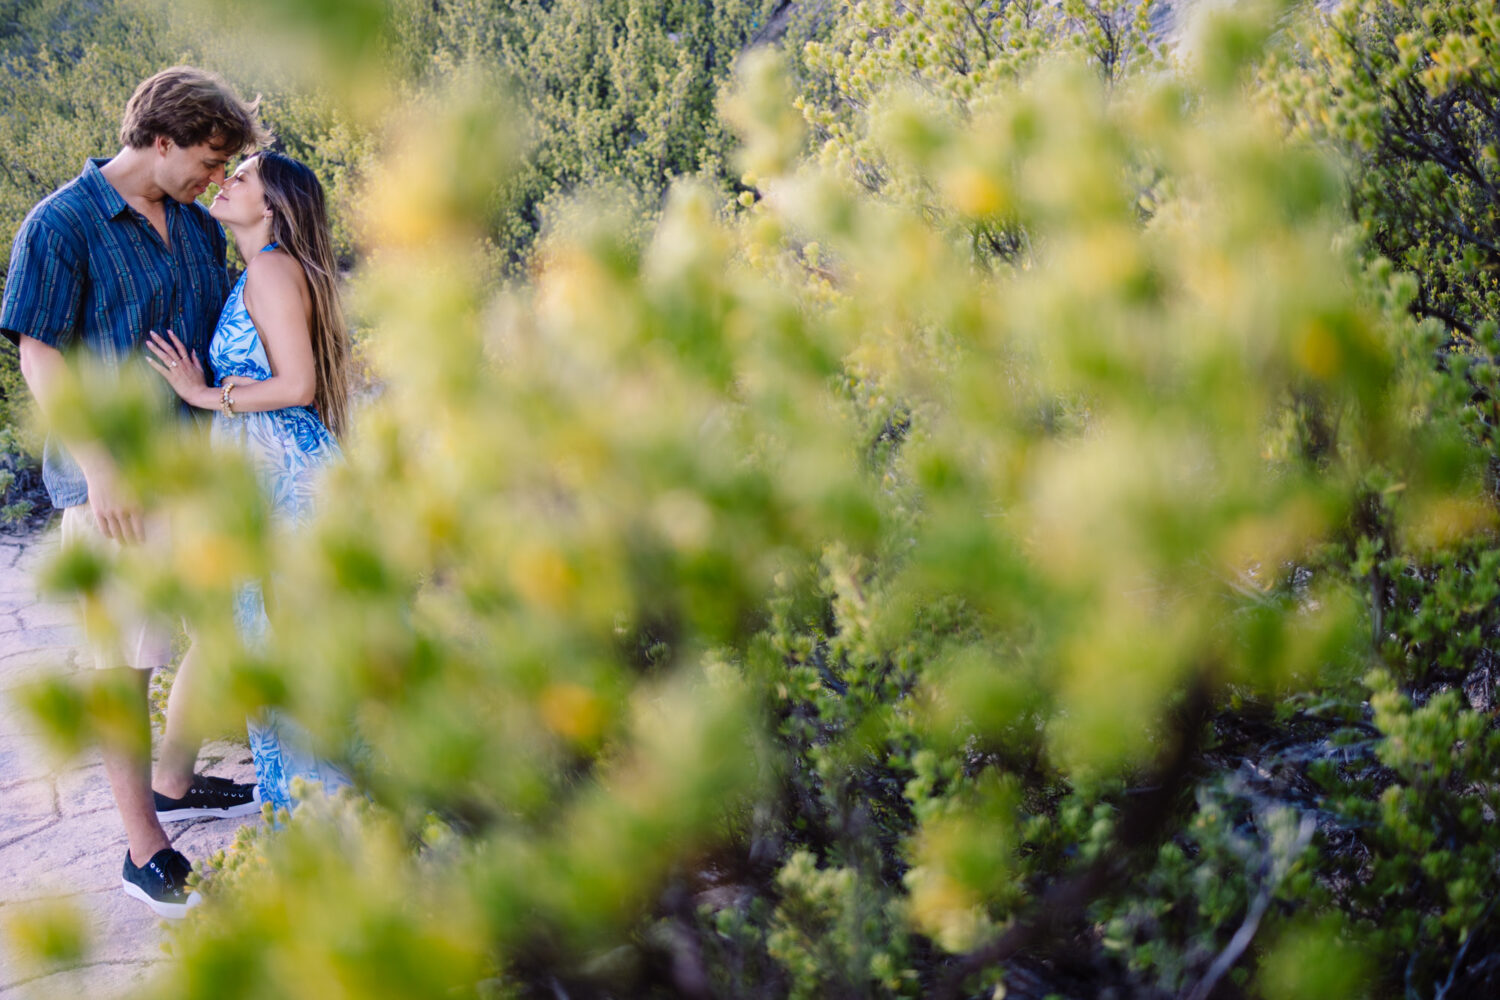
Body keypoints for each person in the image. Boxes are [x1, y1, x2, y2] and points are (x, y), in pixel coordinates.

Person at [0, 67, 269, 919]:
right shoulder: (62, 222)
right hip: (114, 484)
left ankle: (175, 777)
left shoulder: (193, 220)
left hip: (201, 466)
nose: (215, 177)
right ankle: (141, 849)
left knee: (232, 622)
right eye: (208, 158)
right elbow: (37, 354)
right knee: (123, 659)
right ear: (160, 139)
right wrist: (102, 463)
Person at [146, 151, 352, 819]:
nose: (225, 182)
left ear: (269, 206)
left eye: (241, 178)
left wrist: (202, 395)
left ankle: (323, 809)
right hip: (265, 471)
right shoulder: (259, 270)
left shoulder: (269, 268)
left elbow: (298, 385)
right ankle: (317, 804)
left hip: (284, 474)